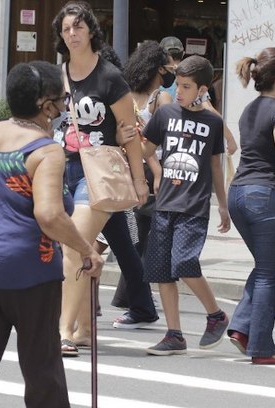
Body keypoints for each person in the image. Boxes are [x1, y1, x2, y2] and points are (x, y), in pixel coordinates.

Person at [0, 61, 103, 408]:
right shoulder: (45, 150)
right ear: (46, 106)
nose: (63, 108)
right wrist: (87, 250)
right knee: (41, 365)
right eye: (62, 100)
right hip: (28, 269)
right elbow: (49, 215)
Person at [51, 1, 149, 357]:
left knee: (72, 244)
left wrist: (140, 183)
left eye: (78, 27)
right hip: (61, 168)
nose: (72, 33)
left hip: (99, 172)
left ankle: (63, 331)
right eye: (66, 29)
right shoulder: (57, 74)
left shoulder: (108, 77)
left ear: (90, 30)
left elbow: (130, 133)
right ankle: (86, 330)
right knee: (79, 247)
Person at [141, 55, 230, 356]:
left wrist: (223, 205)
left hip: (194, 205)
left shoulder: (213, 121)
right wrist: (131, 138)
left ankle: (216, 314)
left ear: (202, 89)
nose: (179, 91)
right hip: (166, 201)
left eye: (187, 86)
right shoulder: (165, 113)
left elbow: (216, 166)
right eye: (178, 85)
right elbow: (147, 149)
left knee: (185, 264)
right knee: (162, 271)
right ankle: (174, 333)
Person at [226, 48, 275, 365]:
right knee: (269, 274)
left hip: (239, 195)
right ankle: (261, 346)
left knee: (263, 268)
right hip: (266, 197)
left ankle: (242, 328)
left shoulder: (250, 109)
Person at [110, 39, 173, 309]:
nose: (169, 72)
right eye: (166, 67)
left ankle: (129, 296)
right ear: (156, 69)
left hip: (124, 168)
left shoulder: (124, 95)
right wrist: (159, 173)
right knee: (146, 236)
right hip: (148, 170)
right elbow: (159, 144)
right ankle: (137, 298)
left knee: (132, 236)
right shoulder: (161, 98)